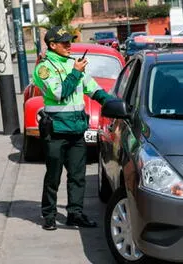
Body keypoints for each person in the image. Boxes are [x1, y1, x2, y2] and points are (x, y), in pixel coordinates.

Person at [33, 26, 115, 231]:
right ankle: (49, 215)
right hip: (56, 130)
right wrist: (76, 73)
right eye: (65, 43)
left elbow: (93, 88)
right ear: (52, 45)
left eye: (70, 42)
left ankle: (75, 215)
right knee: (53, 176)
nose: (69, 46)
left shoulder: (73, 64)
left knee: (77, 177)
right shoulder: (44, 68)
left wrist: (112, 103)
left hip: (77, 129)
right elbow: (60, 93)